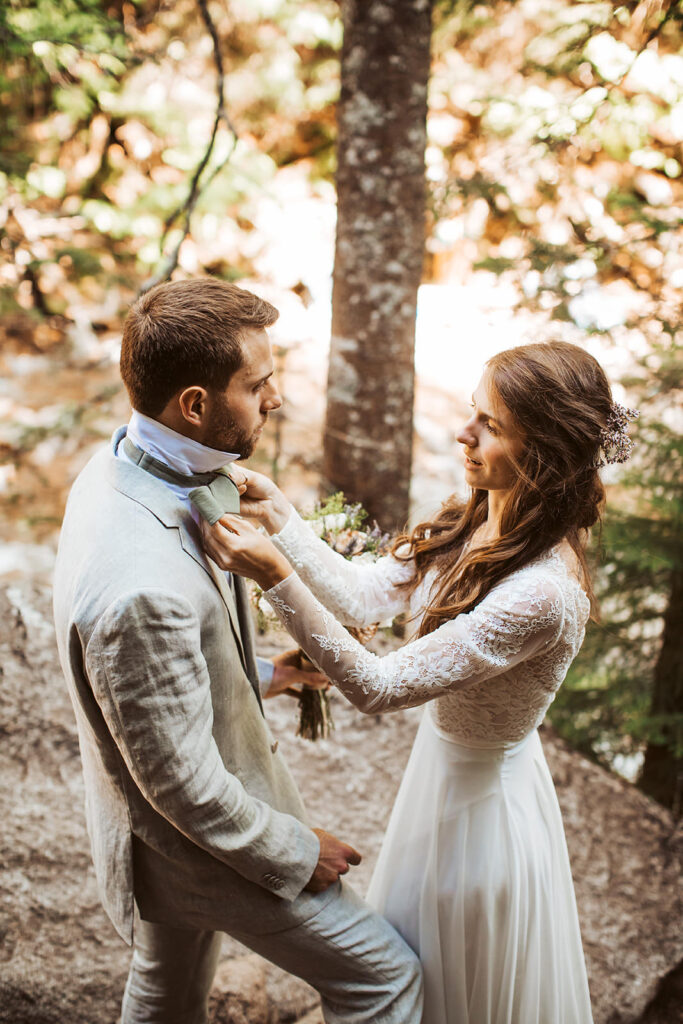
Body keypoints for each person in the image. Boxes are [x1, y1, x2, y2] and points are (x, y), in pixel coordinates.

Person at [201, 340, 639, 1024]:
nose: (461, 432)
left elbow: (377, 687)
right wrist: (280, 517)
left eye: (488, 426)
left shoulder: (541, 595)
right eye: (472, 414)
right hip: (436, 785)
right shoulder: (478, 518)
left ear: (543, 453)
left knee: (446, 986)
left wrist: (273, 578)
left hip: (479, 820)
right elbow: (364, 598)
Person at [52, 277, 423, 1024]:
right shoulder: (139, 588)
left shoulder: (116, 461)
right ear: (193, 404)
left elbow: (151, 684)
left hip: (151, 841)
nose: (277, 398)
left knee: (166, 990)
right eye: (258, 385)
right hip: (195, 852)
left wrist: (271, 672)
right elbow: (182, 784)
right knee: (384, 977)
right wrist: (295, 851)